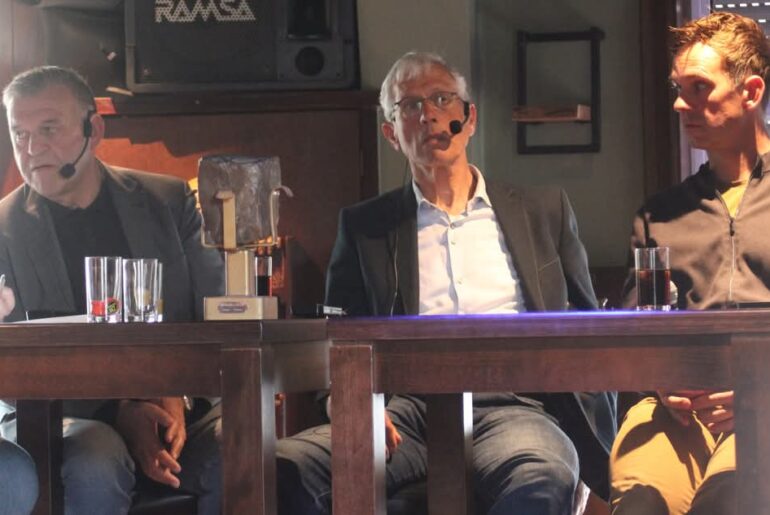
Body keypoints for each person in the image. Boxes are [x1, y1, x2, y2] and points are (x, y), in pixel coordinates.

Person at [276, 51, 616, 515]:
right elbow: (335, 337)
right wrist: (348, 403)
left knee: (544, 476)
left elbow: (590, 324)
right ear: (392, 134)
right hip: (405, 412)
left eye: (442, 99)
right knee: (285, 466)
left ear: (469, 118)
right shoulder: (365, 227)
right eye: (410, 106)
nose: (429, 115)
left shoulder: (542, 210)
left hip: (516, 406)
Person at [0, 65, 225, 515]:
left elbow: (216, 319)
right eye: (19, 134)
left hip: (181, 395)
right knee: (95, 458)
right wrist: (119, 411)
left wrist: (175, 391)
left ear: (94, 129)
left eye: (48, 129)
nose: (32, 148)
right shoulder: (5, 229)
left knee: (241, 440)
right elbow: (14, 376)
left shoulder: (169, 201)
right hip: (62, 412)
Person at [609, 12, 770, 514]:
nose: (681, 103)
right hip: (678, 412)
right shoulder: (659, 214)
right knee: (639, 507)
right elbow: (636, 330)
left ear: (751, 92)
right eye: (678, 89)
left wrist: (758, 389)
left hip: (764, 403)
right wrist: (662, 379)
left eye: (699, 87)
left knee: (729, 500)